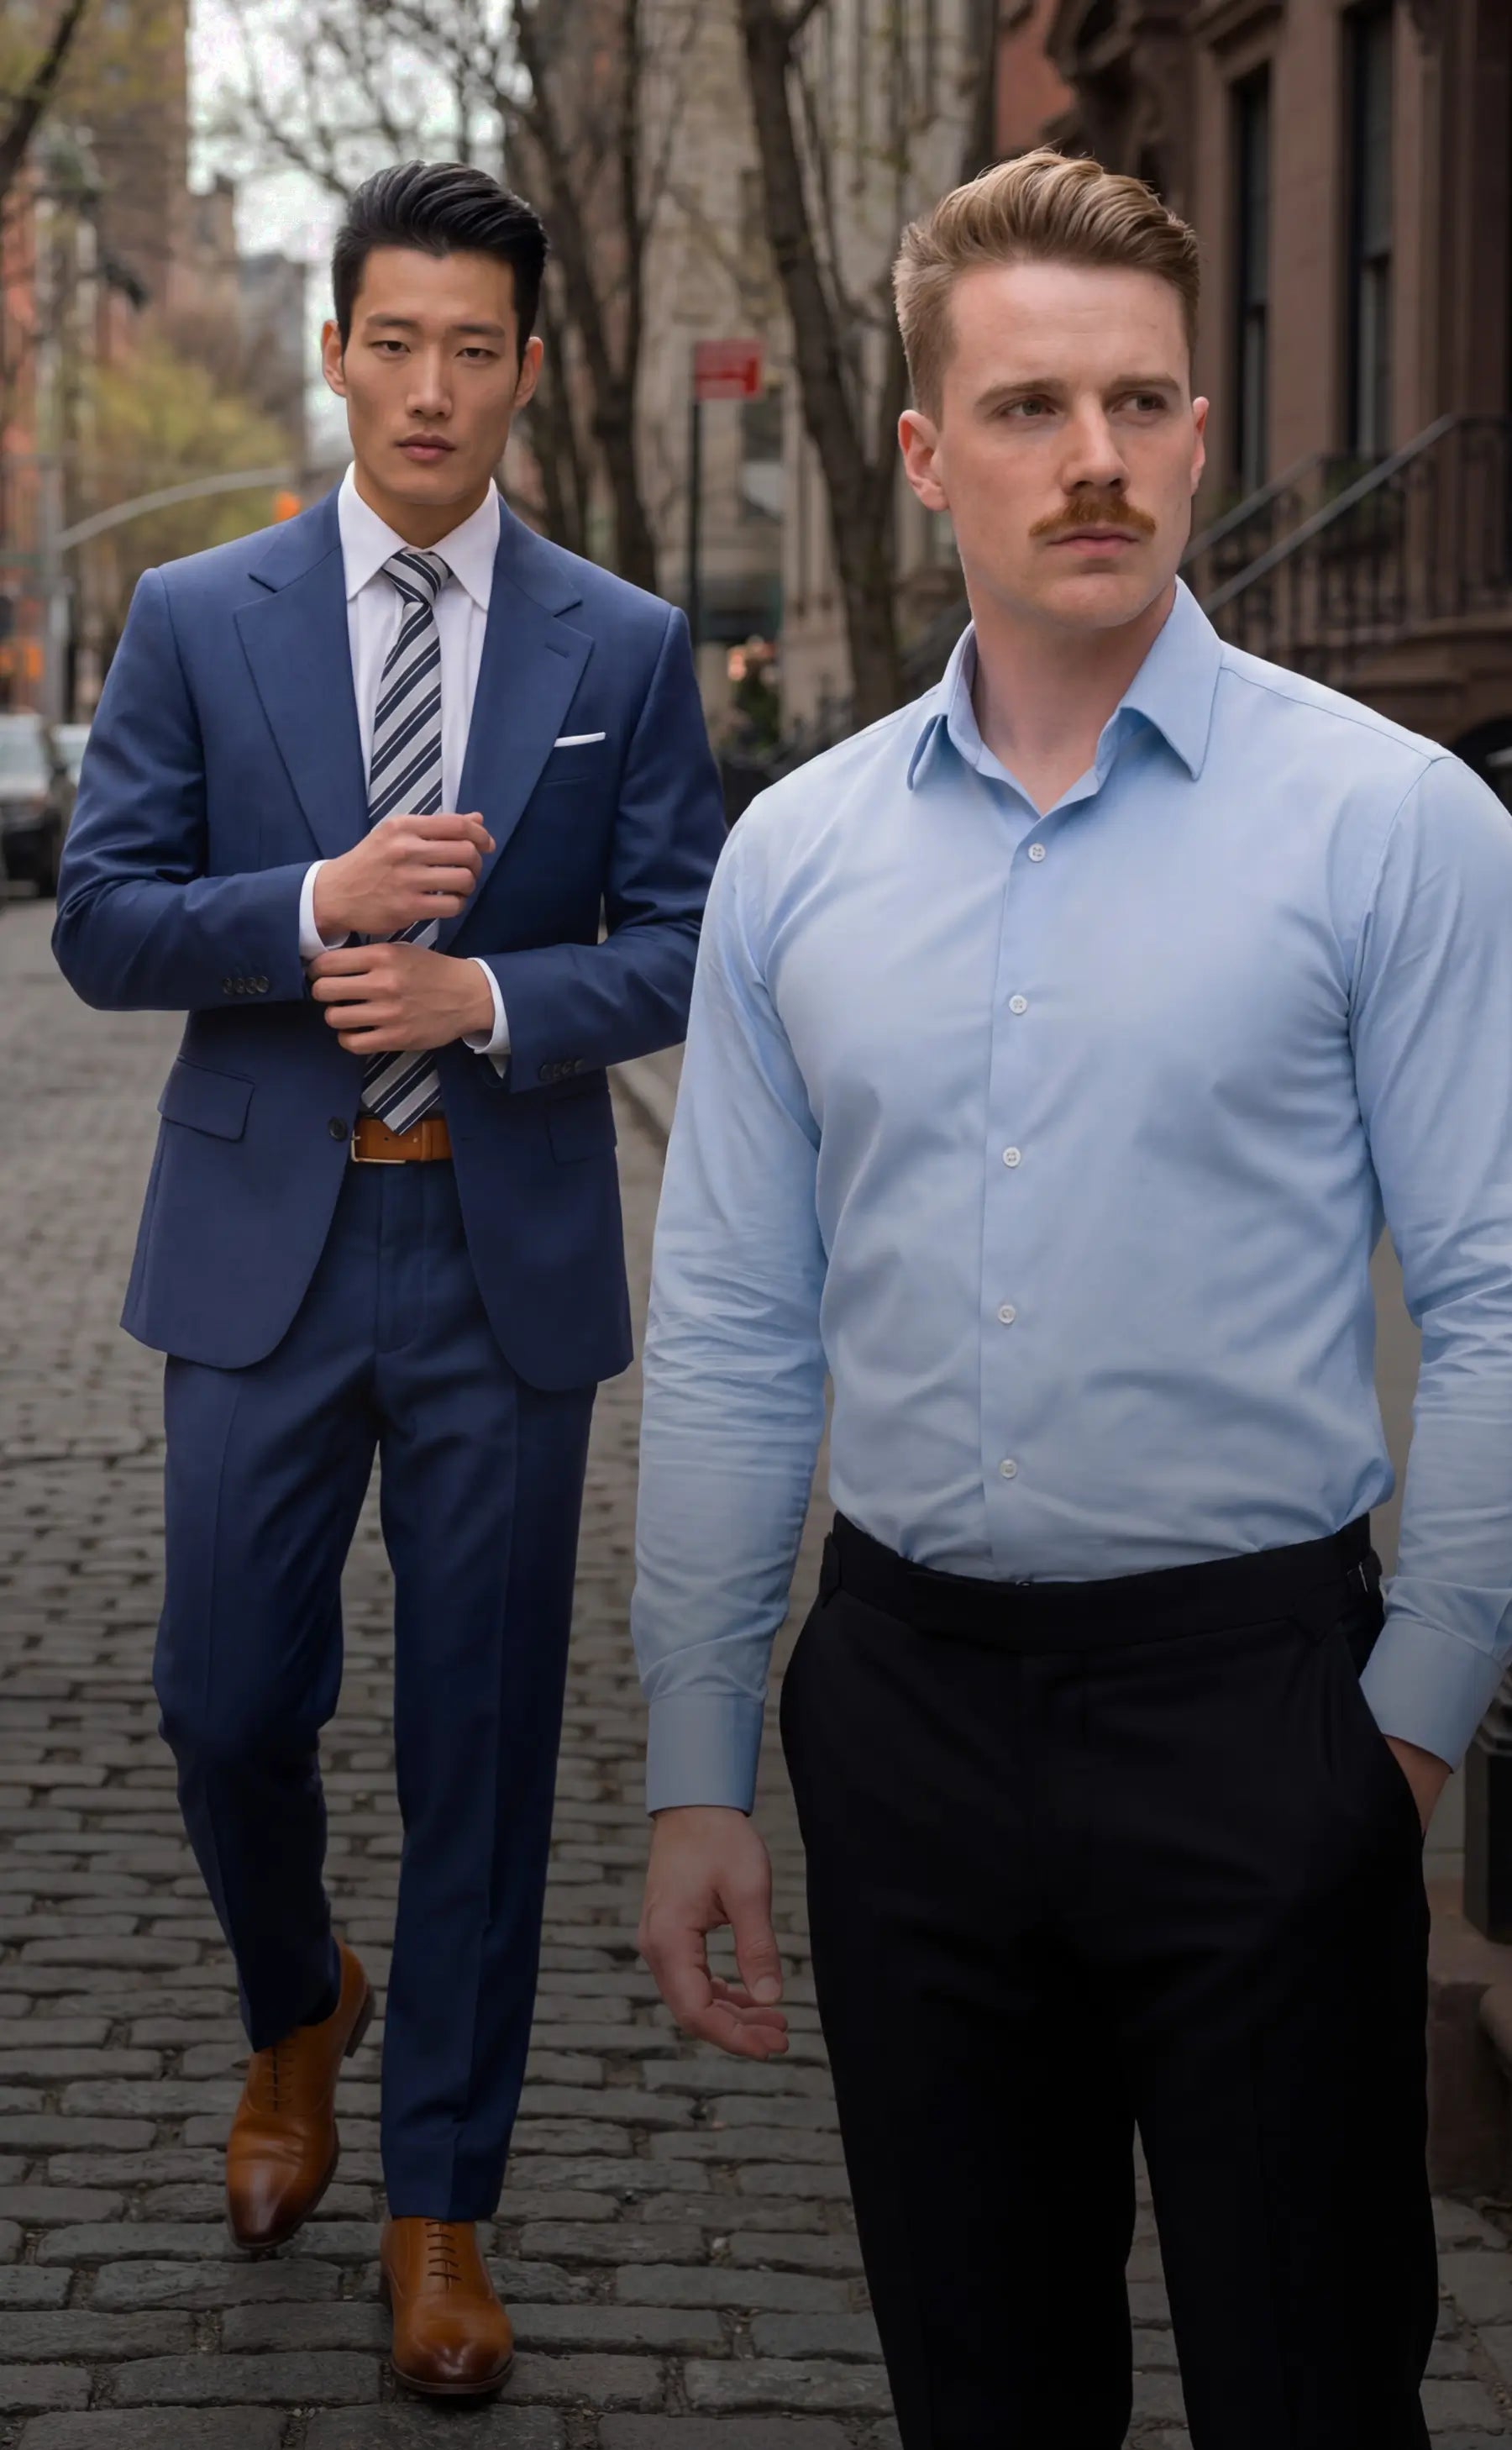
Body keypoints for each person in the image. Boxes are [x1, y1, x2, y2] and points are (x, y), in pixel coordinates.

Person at [631, 150, 1512, 2448]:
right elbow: (730, 1322)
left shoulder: (1397, 825)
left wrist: (1408, 1727)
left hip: (1264, 1713)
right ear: (929, 456)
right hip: (905, 1718)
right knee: (982, 2395)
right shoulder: (796, 857)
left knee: (1312, 2394)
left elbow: (1503, 1292)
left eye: (1139, 402)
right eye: (1029, 407)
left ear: (1202, 432)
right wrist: (700, 1764)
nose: (1094, 458)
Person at [54, 160, 723, 2397]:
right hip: (263, 1246)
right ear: (336, 351)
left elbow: (685, 942)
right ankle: (295, 2006)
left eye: (476, 349)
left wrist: (491, 999)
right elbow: (100, 919)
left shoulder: (620, 645)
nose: (434, 387)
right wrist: (312, 905)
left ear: (527, 369)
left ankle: (441, 2203)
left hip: (498, 1258)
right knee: (221, 1701)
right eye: (398, 341)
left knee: (483, 1747)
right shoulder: (196, 614)